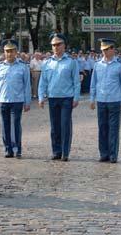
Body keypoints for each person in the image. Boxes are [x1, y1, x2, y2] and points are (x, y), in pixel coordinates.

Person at [38, 33, 80, 161]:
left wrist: (76, 98)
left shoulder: (71, 62)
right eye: (53, 45)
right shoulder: (47, 63)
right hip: (53, 97)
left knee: (65, 125)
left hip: (67, 97)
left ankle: (65, 152)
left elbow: (76, 81)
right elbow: (43, 81)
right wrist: (41, 96)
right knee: (55, 126)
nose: (55, 47)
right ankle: (56, 151)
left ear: (64, 45)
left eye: (58, 44)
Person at [90, 39, 121, 163]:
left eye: (106, 49)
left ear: (113, 49)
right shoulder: (97, 64)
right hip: (101, 100)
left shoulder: (120, 65)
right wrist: (92, 98)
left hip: (115, 100)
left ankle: (113, 154)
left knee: (113, 129)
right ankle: (103, 154)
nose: (104, 52)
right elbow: (93, 83)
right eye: (102, 50)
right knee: (102, 128)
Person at [0, 39, 31, 158]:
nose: (9, 54)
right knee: (5, 126)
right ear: (4, 52)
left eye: (12, 51)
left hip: (17, 100)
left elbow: (27, 85)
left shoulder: (23, 67)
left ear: (16, 52)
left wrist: (27, 102)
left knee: (16, 125)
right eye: (7, 51)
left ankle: (17, 148)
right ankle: (8, 148)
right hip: (3, 100)